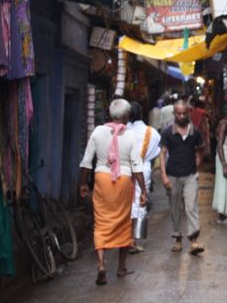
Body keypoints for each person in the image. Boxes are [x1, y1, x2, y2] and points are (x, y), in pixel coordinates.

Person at [79, 98, 148, 285]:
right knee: (123, 221)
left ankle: (101, 264)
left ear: (110, 114)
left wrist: (84, 183)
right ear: (126, 117)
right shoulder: (131, 136)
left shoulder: (98, 132)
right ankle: (121, 267)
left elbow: (86, 162)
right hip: (123, 181)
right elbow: (137, 166)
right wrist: (143, 191)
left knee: (101, 221)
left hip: (102, 180)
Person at [159, 99, 205, 255]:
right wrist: (164, 176)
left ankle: (194, 240)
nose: (181, 116)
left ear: (188, 113)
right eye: (178, 113)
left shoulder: (196, 132)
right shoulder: (167, 132)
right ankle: (177, 238)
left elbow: (200, 152)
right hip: (172, 175)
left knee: (191, 206)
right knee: (175, 207)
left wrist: (195, 166)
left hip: (190, 175)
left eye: (184, 113)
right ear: (174, 114)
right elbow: (163, 154)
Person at [127, 101, 161, 253]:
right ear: (142, 114)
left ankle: (124, 238)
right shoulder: (151, 132)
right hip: (143, 168)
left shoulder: (123, 130)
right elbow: (157, 152)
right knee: (140, 201)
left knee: (124, 201)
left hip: (125, 170)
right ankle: (133, 239)